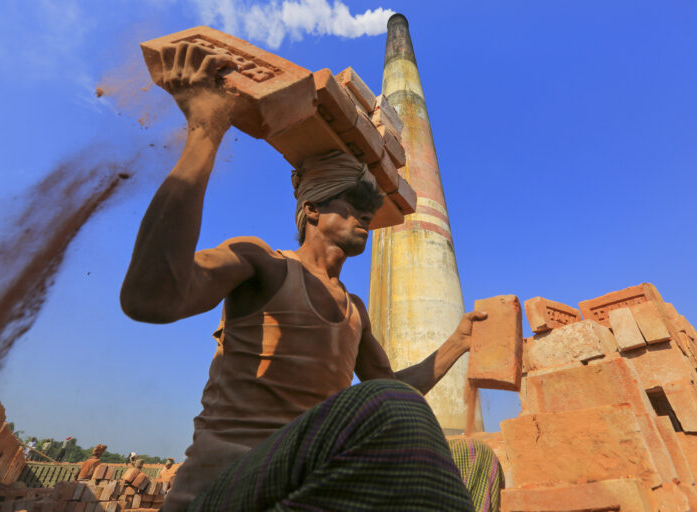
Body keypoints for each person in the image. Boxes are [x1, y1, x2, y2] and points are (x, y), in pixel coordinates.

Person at [120, 41, 502, 512]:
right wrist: (206, 130)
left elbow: (395, 389)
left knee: (473, 458)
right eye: (352, 205)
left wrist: (458, 342)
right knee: (390, 406)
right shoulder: (263, 263)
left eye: (370, 208)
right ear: (312, 209)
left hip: (309, 478)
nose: (365, 216)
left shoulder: (353, 311)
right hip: (232, 486)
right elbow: (151, 297)